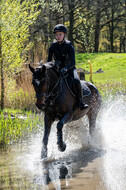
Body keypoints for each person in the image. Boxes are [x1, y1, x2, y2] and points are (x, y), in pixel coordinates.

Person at [47, 24, 88, 110]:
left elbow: (73, 62)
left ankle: (81, 102)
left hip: (69, 68)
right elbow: (49, 61)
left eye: (60, 34)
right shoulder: (52, 46)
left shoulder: (69, 46)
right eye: (56, 34)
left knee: (76, 80)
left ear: (64, 35)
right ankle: (47, 100)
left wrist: (66, 68)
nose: (58, 36)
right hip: (57, 69)